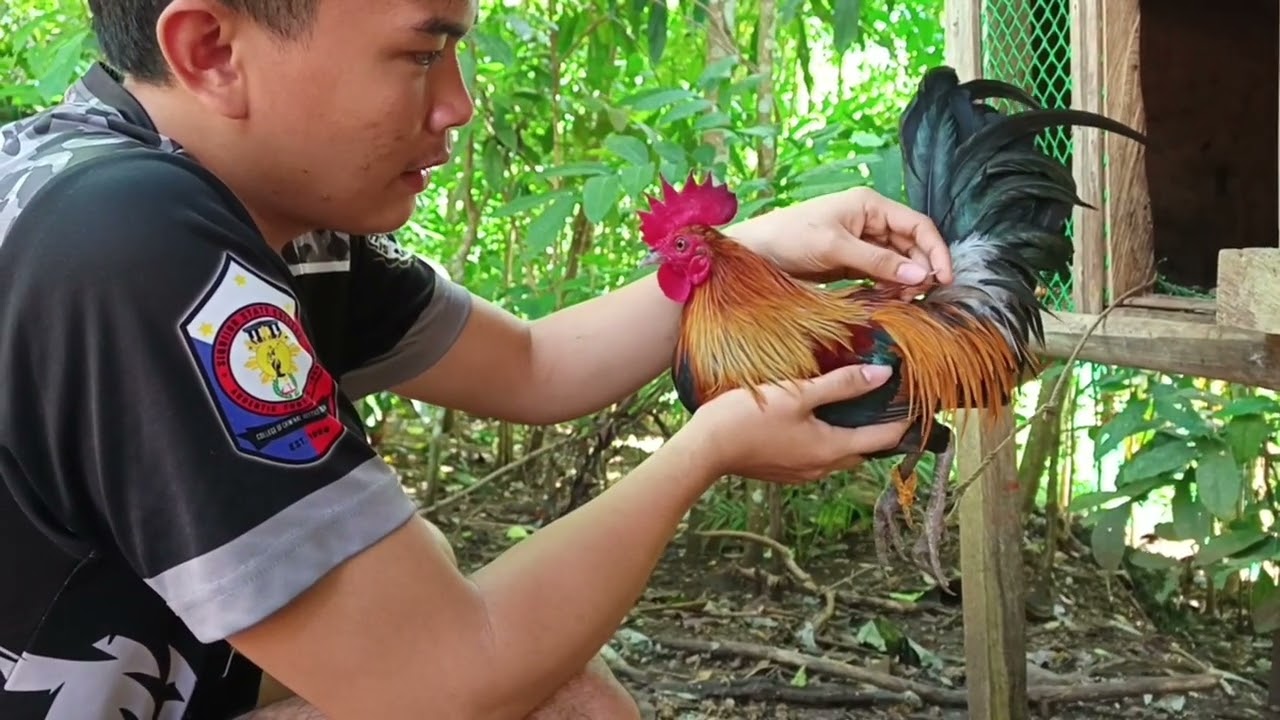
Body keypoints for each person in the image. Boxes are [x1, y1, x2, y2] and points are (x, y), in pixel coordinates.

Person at [0, 0, 953, 718]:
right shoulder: (133, 239)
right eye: (420, 51)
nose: (455, 102)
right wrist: (698, 456)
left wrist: (759, 249)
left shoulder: (257, 215)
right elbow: (446, 673)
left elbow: (535, 363)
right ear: (211, 51)